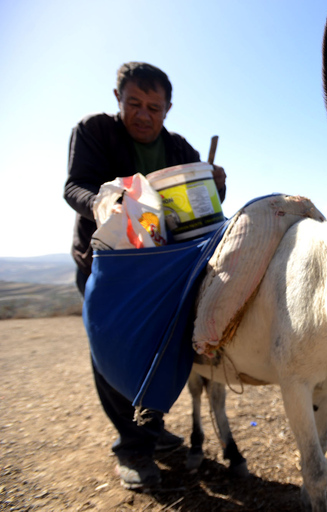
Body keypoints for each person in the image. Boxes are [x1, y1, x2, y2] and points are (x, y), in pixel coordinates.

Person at [64, 62, 226, 490]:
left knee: (163, 349)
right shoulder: (95, 132)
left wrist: (218, 184)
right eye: (134, 103)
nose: (143, 114)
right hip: (108, 265)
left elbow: (201, 203)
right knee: (114, 353)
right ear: (118, 99)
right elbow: (74, 186)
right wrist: (102, 201)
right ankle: (133, 449)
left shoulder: (179, 149)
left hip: (164, 270)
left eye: (153, 106)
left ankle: (150, 430)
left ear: (167, 108)